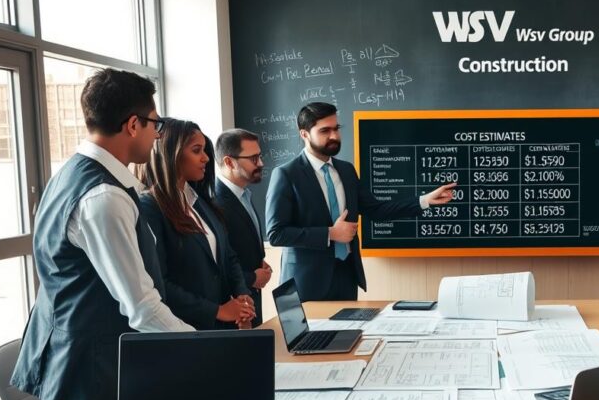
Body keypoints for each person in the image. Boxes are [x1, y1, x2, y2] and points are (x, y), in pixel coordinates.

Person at [11, 69, 193, 400]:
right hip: (90, 375)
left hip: (88, 362)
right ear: (132, 125)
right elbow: (141, 305)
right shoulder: (103, 197)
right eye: (155, 124)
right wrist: (205, 350)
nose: (158, 134)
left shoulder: (72, 174)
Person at [266, 102, 457, 301]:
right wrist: (330, 233)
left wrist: (424, 200)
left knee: (348, 333)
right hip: (306, 282)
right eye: (325, 131)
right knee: (315, 334)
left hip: (346, 275)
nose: (334, 136)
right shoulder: (286, 175)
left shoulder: (346, 171)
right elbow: (276, 234)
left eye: (336, 128)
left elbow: (377, 210)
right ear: (304, 134)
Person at [135, 118, 256, 330]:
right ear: (171, 153)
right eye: (196, 150)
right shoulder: (150, 208)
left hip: (221, 328)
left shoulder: (199, 201)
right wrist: (217, 311)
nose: (206, 158)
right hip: (187, 330)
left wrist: (242, 295)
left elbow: (228, 255)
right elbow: (160, 283)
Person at [213, 129, 271, 326]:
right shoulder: (215, 203)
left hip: (252, 301)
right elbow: (220, 262)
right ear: (229, 162)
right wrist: (252, 278)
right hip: (234, 309)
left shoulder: (244, 194)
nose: (261, 163)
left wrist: (260, 262)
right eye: (253, 158)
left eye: (260, 156)